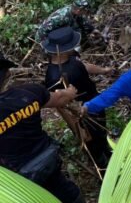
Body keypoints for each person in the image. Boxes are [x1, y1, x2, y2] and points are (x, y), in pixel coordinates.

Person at [0, 54, 83, 203]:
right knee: (64, 190)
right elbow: (60, 98)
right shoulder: (29, 93)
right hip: (47, 157)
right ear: (7, 73)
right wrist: (70, 92)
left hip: (18, 177)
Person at [43, 27, 111, 169]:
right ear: (61, 49)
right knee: (93, 145)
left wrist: (104, 70)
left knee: (101, 135)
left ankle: (109, 153)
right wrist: (77, 129)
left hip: (94, 103)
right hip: (83, 115)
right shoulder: (55, 77)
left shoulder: (71, 57)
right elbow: (61, 106)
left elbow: (84, 66)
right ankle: (104, 169)